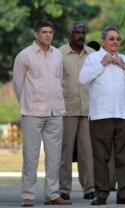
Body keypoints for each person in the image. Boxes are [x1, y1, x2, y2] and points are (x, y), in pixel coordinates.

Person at [79, 26, 125, 206]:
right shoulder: (93, 59)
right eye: (111, 38)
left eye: (117, 39)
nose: (115, 42)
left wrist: (124, 66)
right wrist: (102, 64)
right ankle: (101, 195)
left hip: (122, 114)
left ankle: (124, 194)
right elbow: (82, 79)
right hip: (101, 115)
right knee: (101, 157)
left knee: (124, 156)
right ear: (103, 41)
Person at [12, 20, 71, 206]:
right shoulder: (24, 56)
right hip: (32, 112)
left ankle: (53, 194)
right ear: (36, 34)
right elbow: (17, 84)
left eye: (50, 32)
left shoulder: (57, 56)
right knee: (31, 156)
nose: (48, 35)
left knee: (54, 157)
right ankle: (27, 195)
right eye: (44, 32)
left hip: (55, 112)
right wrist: (29, 102)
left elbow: (58, 80)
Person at [59, 23, 95, 201]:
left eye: (83, 33)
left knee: (88, 151)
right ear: (69, 35)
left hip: (88, 110)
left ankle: (90, 188)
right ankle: (64, 189)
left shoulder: (93, 55)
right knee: (65, 151)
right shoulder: (59, 54)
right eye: (77, 33)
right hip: (67, 109)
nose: (80, 36)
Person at [87, 40, 117, 192]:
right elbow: (83, 79)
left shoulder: (116, 60)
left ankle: (109, 183)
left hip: (111, 112)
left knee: (108, 151)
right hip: (94, 112)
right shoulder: (92, 62)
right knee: (97, 151)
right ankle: (95, 186)